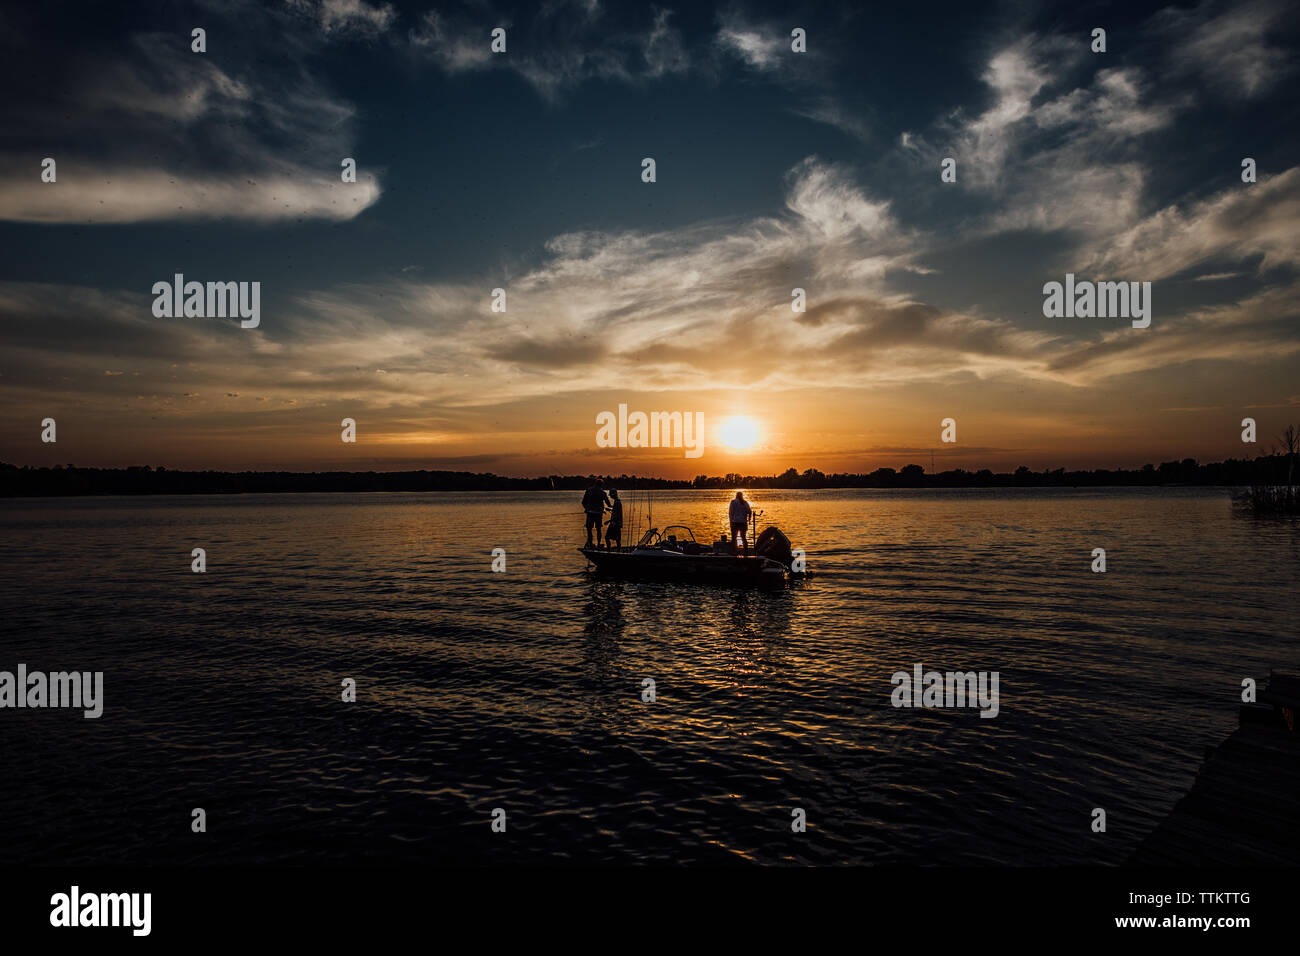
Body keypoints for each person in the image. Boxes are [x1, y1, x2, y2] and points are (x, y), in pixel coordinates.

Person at [581, 478, 609, 549]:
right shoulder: (602, 492)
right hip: (599, 513)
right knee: (598, 529)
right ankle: (599, 544)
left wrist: (586, 508)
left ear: (595, 483)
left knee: (589, 529)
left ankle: (590, 543)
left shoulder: (588, 490)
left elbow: (583, 502)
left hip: (590, 513)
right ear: (601, 485)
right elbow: (608, 503)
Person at [729, 490, 752, 556]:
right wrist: (749, 520)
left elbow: (731, 513)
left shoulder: (733, 502)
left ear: (736, 496)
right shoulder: (745, 503)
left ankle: (734, 551)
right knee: (743, 537)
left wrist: (731, 522)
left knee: (734, 537)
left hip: (735, 522)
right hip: (743, 523)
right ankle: (745, 551)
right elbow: (749, 512)